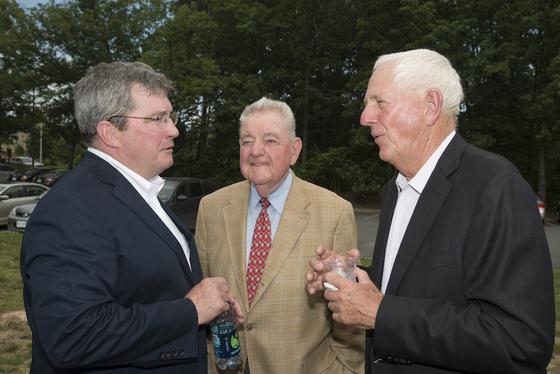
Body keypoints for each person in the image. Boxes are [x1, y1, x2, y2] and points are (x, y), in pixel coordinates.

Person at [306, 49, 555, 373]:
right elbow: (411, 285)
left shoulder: (495, 187)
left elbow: (520, 341)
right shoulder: (396, 189)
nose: (365, 117)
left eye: (379, 103)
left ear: (430, 106)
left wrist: (381, 313)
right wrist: (349, 279)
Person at [20, 61, 243, 374]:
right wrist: (190, 311)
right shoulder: (69, 210)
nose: (174, 129)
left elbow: (146, 290)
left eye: (171, 116)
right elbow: (74, 335)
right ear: (110, 132)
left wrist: (210, 309)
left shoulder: (144, 193)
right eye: (157, 119)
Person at [195, 97, 364, 373]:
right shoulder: (211, 208)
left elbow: (348, 316)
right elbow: (203, 297)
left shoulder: (334, 212)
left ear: (295, 150)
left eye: (270, 140)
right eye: (246, 140)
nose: (255, 150)